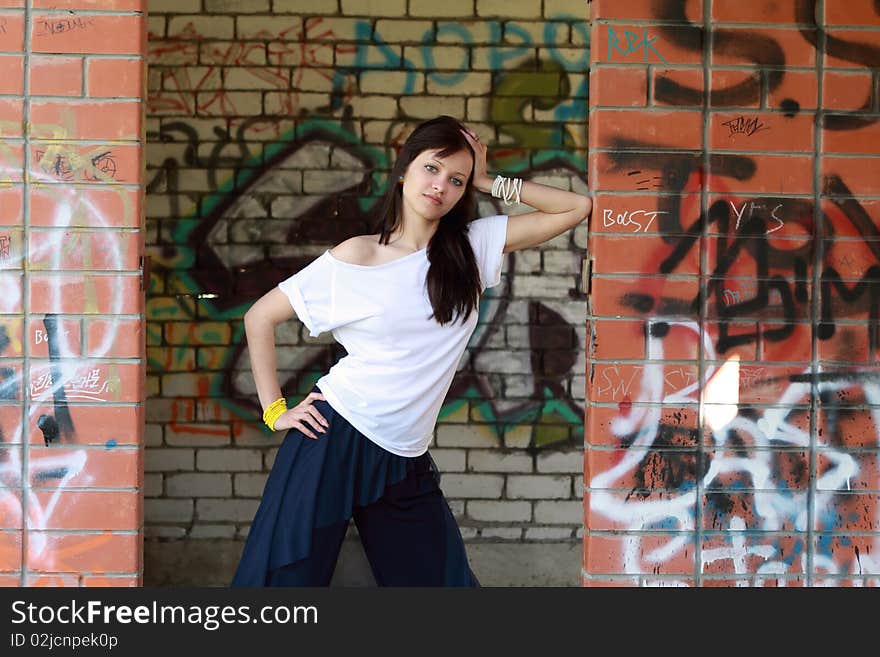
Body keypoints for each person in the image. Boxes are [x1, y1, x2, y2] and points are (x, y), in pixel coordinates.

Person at [231, 115, 592, 587]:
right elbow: (259, 316)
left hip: (404, 455)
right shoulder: (357, 256)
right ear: (405, 169)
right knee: (284, 581)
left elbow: (575, 207)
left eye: (456, 179)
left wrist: (488, 180)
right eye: (432, 168)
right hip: (334, 436)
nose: (440, 185)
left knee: (441, 585)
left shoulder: (471, 247)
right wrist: (274, 410)